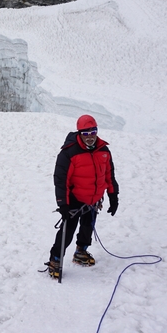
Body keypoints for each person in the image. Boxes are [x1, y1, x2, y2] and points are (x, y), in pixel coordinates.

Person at [47, 114, 119, 280]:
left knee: (88, 227)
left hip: (93, 200)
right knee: (67, 232)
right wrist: (63, 204)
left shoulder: (104, 151)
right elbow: (61, 180)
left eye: (93, 132)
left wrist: (113, 196)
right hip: (74, 201)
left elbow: (109, 175)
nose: (90, 137)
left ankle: (81, 251)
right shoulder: (69, 153)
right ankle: (55, 260)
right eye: (86, 133)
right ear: (79, 133)